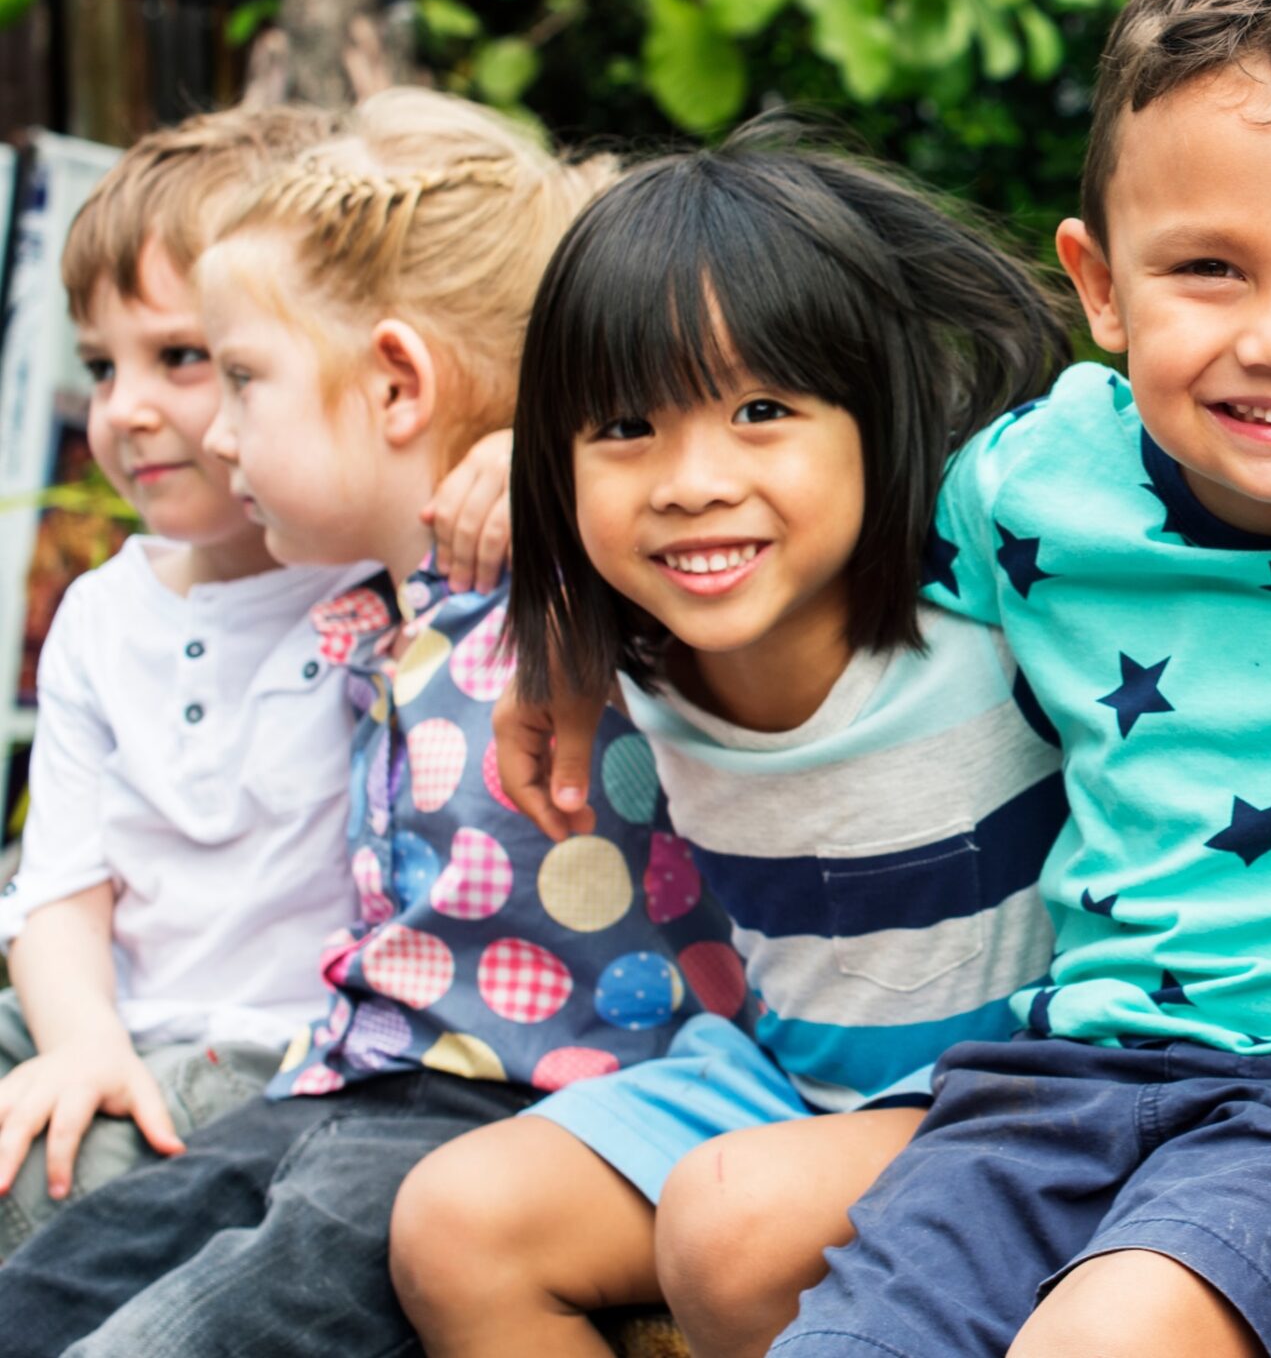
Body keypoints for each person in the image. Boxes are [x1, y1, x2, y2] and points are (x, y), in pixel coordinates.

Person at [701, 0, 1271, 1358]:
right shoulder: (1036, 485)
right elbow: (773, 546)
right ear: (1100, 283)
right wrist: (534, 545)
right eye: (1209, 269)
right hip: (1060, 1080)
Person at [0, 90, 733, 1358]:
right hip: (346, 1084)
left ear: (397, 383)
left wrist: (547, 456)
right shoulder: (364, 610)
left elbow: (720, 456)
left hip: (525, 1110)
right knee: (40, 1299)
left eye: (234, 380)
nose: (215, 437)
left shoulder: (593, 571)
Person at [386, 126, 1073, 1358]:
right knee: (454, 1224)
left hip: (1033, 1092)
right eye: (625, 428)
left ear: (876, 417)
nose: (692, 480)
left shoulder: (989, 599)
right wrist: (555, 626)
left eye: (763, 409)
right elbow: (543, 519)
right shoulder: (634, 647)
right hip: (789, 1084)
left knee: (732, 1220)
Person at [0, 108, 512, 1257]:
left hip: (279, 1055)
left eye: (187, 359)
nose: (126, 409)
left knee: (45, 1190)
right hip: (104, 1017)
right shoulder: (101, 613)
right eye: (100, 365)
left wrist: (517, 457)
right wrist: (81, 1045)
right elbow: (60, 888)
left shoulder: (399, 571)